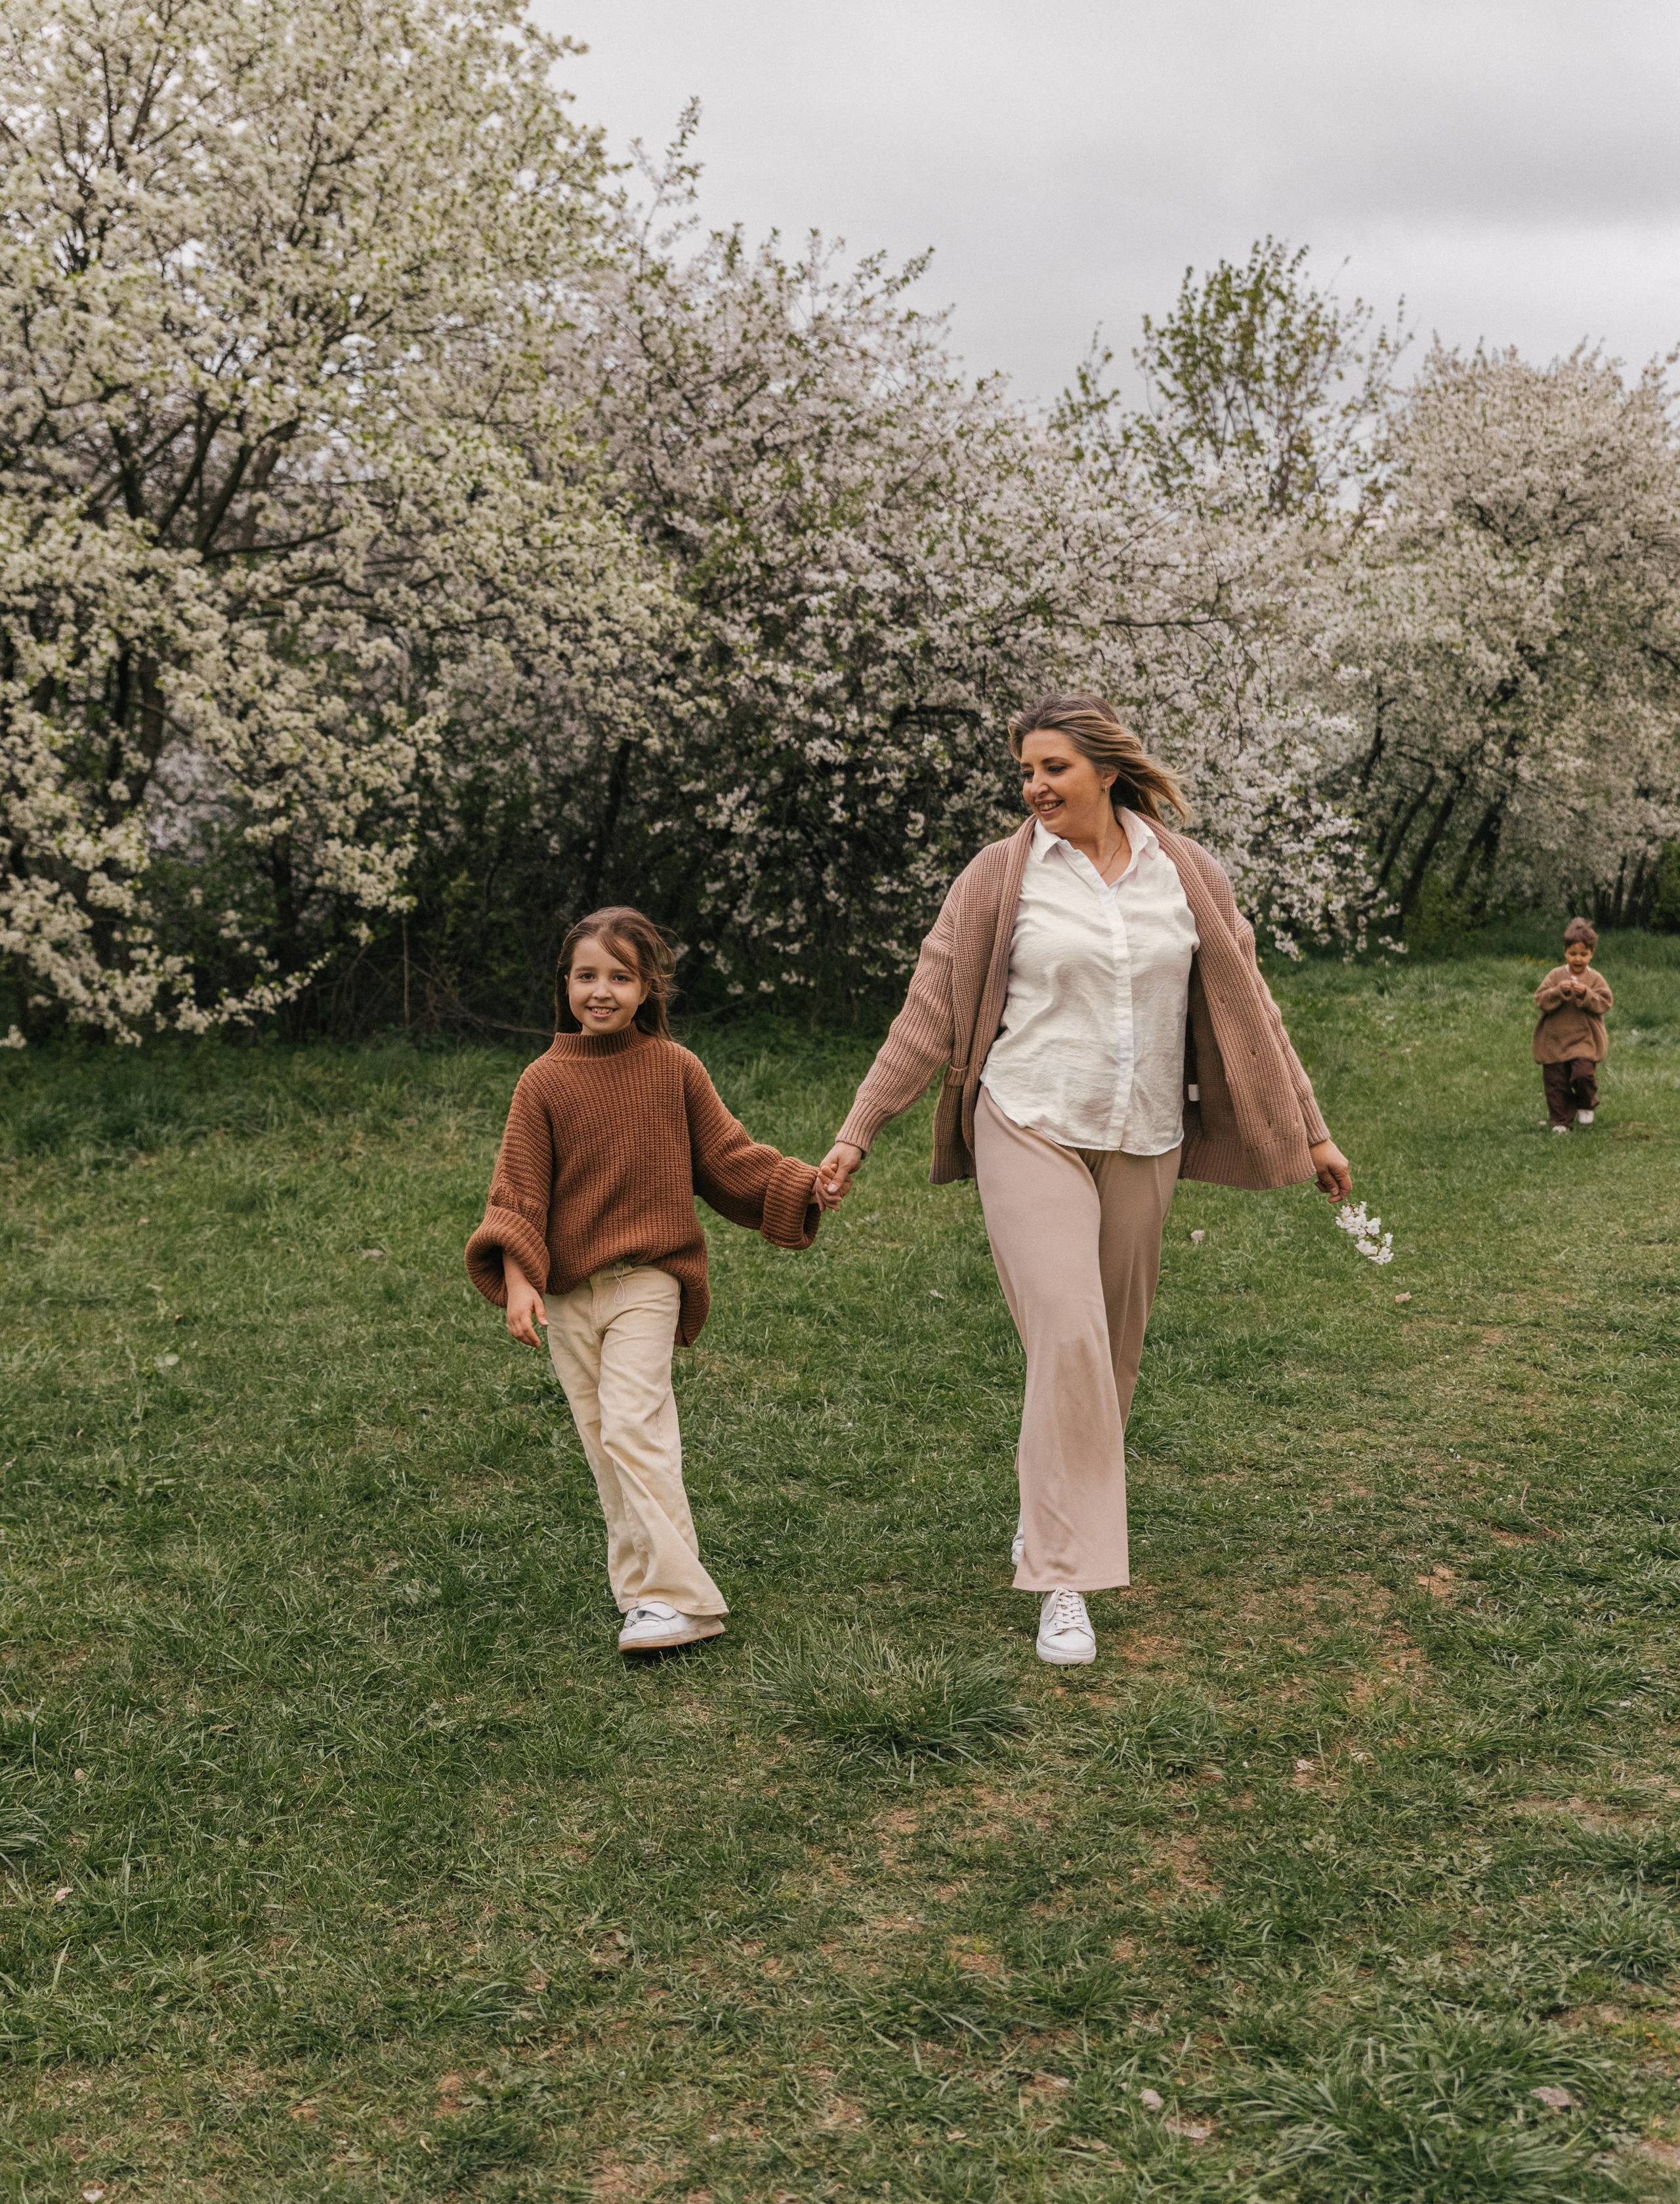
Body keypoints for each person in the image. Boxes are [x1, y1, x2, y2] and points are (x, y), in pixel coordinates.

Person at [816, 694, 1351, 1670]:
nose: (1034, 787)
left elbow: (1253, 1009)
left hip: (1144, 1135)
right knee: (1067, 1335)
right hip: (1029, 1119)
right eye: (1026, 771)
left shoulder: (1186, 874)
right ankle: (1066, 1579)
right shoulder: (1000, 877)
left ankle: (1049, 1515)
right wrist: (859, 1132)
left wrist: (1311, 1129)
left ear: (1107, 770)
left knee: (1109, 1357)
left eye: (1052, 768)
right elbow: (928, 1010)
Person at [466, 908, 836, 1653]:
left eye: (619, 978)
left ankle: (681, 1598)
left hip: (648, 1279)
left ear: (647, 988)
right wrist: (518, 1278)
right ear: (566, 984)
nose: (600, 992)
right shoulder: (542, 1082)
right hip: (569, 1293)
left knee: (637, 1427)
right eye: (586, 976)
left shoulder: (675, 1070)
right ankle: (642, 1596)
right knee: (605, 1440)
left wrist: (801, 1184)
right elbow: (519, 1192)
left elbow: (729, 1159)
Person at [1533, 918, 1612, 1134]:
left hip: (1584, 1039)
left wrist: (1586, 995)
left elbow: (1604, 1002)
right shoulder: (1556, 975)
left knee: (1583, 1074)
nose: (1578, 959)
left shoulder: (1595, 979)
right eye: (1573, 954)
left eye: (1584, 954)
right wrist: (1559, 991)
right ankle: (1561, 1121)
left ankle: (1586, 1103)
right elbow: (1541, 999)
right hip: (1555, 1039)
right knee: (1556, 1081)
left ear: (1592, 954)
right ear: (1565, 952)